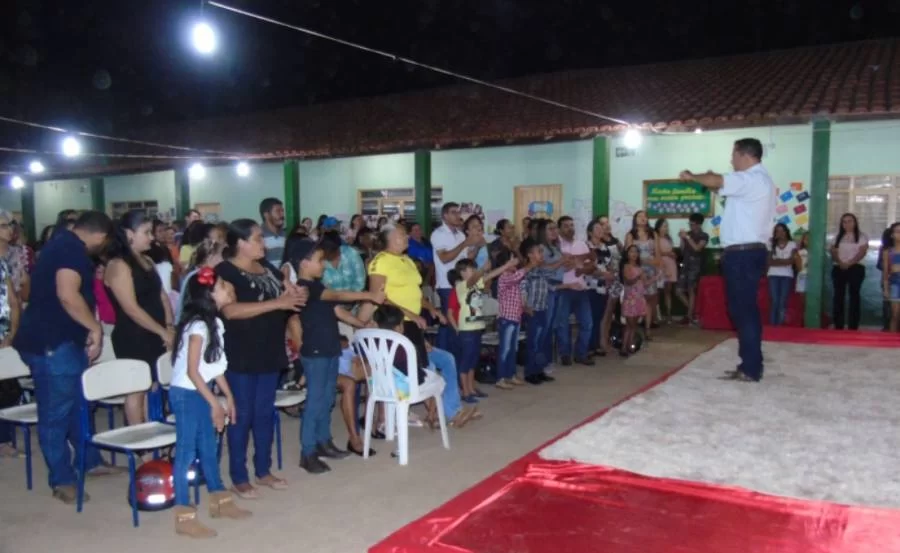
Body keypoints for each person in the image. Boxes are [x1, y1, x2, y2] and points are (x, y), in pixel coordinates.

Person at [14, 211, 121, 504]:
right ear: (100, 237)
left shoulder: (63, 242)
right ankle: (61, 479)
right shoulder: (69, 249)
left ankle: (90, 461)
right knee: (56, 413)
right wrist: (94, 327)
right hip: (52, 343)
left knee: (77, 406)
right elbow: (67, 295)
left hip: (62, 340)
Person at [215, 219, 307, 498]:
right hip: (241, 351)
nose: (263, 244)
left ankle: (263, 470)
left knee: (265, 414)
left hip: (269, 349)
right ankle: (239, 476)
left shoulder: (267, 267)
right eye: (257, 239)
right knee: (241, 415)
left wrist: (296, 293)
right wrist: (277, 303)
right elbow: (229, 310)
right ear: (240, 243)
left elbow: (288, 291)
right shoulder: (224, 271)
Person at [361, 225, 477, 427]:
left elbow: (416, 292)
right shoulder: (381, 261)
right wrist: (411, 314)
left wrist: (432, 308)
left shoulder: (407, 261)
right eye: (401, 234)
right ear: (389, 238)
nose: (406, 237)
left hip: (413, 325)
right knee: (427, 366)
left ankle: (451, 410)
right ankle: (446, 414)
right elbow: (378, 298)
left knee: (447, 359)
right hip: (395, 325)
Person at [680, 137, 776, 382]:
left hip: (743, 254)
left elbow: (715, 180)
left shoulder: (750, 178)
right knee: (743, 310)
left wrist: (692, 176)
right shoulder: (759, 181)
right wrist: (712, 181)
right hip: (748, 252)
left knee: (744, 310)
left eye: (733, 155)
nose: (731, 160)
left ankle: (751, 367)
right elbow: (718, 184)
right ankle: (750, 364)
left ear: (744, 155)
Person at [285, 238, 383, 473]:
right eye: (319, 260)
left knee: (327, 398)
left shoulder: (319, 286)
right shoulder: (306, 287)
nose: (324, 265)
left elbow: (338, 311)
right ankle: (307, 452)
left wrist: (359, 322)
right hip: (316, 351)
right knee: (316, 401)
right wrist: (369, 295)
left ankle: (324, 441)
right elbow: (338, 297)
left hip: (329, 348)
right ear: (304, 263)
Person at [170, 267, 252, 539]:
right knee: (186, 450)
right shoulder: (198, 326)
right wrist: (215, 404)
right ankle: (183, 514)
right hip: (186, 393)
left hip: (202, 390)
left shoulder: (215, 323)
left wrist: (227, 396)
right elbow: (193, 372)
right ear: (209, 294)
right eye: (223, 285)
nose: (230, 288)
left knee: (209, 445)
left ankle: (219, 500)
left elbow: (214, 366)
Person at [104, 210, 173, 425]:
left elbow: (162, 296)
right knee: (136, 389)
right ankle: (138, 438)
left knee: (153, 385)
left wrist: (169, 325)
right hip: (133, 335)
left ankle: (152, 431)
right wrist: (162, 331)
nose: (152, 237)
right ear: (129, 234)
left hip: (155, 332)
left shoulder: (148, 261)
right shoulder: (118, 265)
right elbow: (131, 308)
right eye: (146, 232)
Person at [447, 258, 512, 399]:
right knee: (465, 362)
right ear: (462, 272)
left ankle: (471, 389)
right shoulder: (462, 286)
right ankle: (465, 392)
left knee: (473, 362)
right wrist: (482, 269)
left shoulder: (476, 284)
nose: (475, 272)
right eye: (472, 269)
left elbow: (490, 276)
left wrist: (506, 265)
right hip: (467, 329)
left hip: (477, 327)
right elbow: (478, 277)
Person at [432, 203, 483, 361]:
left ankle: (456, 362)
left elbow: (468, 261)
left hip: (463, 285)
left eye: (458, 212)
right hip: (447, 285)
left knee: (458, 324)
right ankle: (446, 361)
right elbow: (445, 258)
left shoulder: (461, 235)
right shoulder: (438, 234)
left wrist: (476, 246)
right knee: (450, 324)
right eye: (453, 212)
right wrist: (465, 244)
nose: (457, 215)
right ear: (445, 216)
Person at [555, 216, 594, 366]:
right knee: (563, 323)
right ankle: (565, 354)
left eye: (572, 225)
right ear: (559, 229)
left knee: (587, 323)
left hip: (581, 288)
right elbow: (561, 267)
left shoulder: (581, 244)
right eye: (566, 226)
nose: (570, 228)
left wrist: (580, 266)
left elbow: (591, 266)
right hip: (564, 289)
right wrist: (573, 263)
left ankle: (581, 353)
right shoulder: (557, 246)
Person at [0, 210, 21, 458]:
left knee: (7, 387)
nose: (10, 228)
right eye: (4, 225)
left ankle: (4, 440)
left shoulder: (5, 261)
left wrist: (11, 333)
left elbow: (13, 299)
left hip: (5, 331)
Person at [520, 239, 554, 385]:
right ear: (529, 255)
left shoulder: (541, 270)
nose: (542, 254)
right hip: (532, 310)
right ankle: (530, 372)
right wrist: (526, 306)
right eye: (538, 252)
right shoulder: (526, 271)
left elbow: (548, 287)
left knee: (541, 342)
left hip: (542, 308)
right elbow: (522, 288)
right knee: (533, 342)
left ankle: (539, 370)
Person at [830, 213, 868, 330]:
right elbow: (833, 252)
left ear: (855, 222)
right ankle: (838, 325)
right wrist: (841, 262)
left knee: (854, 296)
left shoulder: (862, 236)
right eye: (844, 222)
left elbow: (862, 252)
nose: (847, 224)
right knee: (838, 296)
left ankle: (853, 326)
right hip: (838, 268)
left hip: (856, 268)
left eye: (850, 221)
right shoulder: (837, 237)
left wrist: (850, 263)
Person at [625, 211, 659, 339]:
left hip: (650, 270)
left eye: (645, 216)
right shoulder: (630, 235)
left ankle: (647, 328)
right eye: (640, 216)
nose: (643, 218)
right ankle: (632, 328)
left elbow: (658, 253)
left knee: (649, 301)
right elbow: (627, 254)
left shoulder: (652, 234)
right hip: (636, 269)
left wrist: (657, 265)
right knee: (637, 299)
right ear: (635, 219)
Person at [494, 258, 528, 388]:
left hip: (515, 318)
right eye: (512, 263)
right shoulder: (504, 278)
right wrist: (529, 265)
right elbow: (518, 276)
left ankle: (511, 375)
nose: (515, 265)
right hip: (507, 319)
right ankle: (500, 378)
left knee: (513, 349)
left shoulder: (515, 278)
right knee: (505, 349)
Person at [177, 239, 226, 322]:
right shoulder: (198, 277)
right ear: (210, 257)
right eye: (222, 255)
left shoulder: (211, 274)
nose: (224, 259)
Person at [675, 213, 709, 324]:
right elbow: (681, 249)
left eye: (693, 224)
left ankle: (689, 315)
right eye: (689, 224)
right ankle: (693, 312)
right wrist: (681, 239)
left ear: (699, 224)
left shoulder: (704, 235)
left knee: (691, 290)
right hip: (685, 264)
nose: (690, 226)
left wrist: (687, 237)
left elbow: (697, 248)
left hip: (696, 266)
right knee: (678, 291)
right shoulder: (687, 234)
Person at [767, 223, 797, 326]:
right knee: (774, 301)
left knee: (782, 301)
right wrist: (784, 261)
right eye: (778, 231)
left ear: (786, 231)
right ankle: (772, 326)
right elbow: (769, 261)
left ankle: (780, 327)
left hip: (787, 276)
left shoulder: (792, 244)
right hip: (773, 275)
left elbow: (791, 261)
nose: (780, 233)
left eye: (782, 230)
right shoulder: (771, 244)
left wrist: (778, 261)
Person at [620, 245, 646, 358]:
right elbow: (628, 281)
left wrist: (656, 277)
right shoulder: (626, 266)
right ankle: (624, 347)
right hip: (630, 299)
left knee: (633, 325)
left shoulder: (640, 267)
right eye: (631, 252)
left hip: (638, 299)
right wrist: (638, 277)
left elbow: (645, 283)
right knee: (629, 324)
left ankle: (628, 346)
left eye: (636, 252)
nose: (634, 254)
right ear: (627, 254)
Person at [655, 218, 678, 323]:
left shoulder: (668, 238)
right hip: (660, 265)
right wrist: (667, 254)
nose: (666, 228)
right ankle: (657, 314)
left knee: (668, 291)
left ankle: (669, 315)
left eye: (667, 226)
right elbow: (656, 252)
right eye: (664, 226)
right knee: (657, 291)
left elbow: (671, 251)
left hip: (671, 265)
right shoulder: (655, 237)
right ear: (658, 227)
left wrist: (672, 254)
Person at [882, 222, 900, 332]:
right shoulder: (888, 252)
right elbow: (885, 272)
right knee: (895, 315)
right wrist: (886, 289)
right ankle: (892, 341)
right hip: (895, 284)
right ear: (892, 234)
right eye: (897, 231)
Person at [259, 198, 286, 267]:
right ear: (266, 215)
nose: (282, 214)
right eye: (278, 211)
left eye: (282, 211)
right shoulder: (258, 235)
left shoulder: (285, 235)